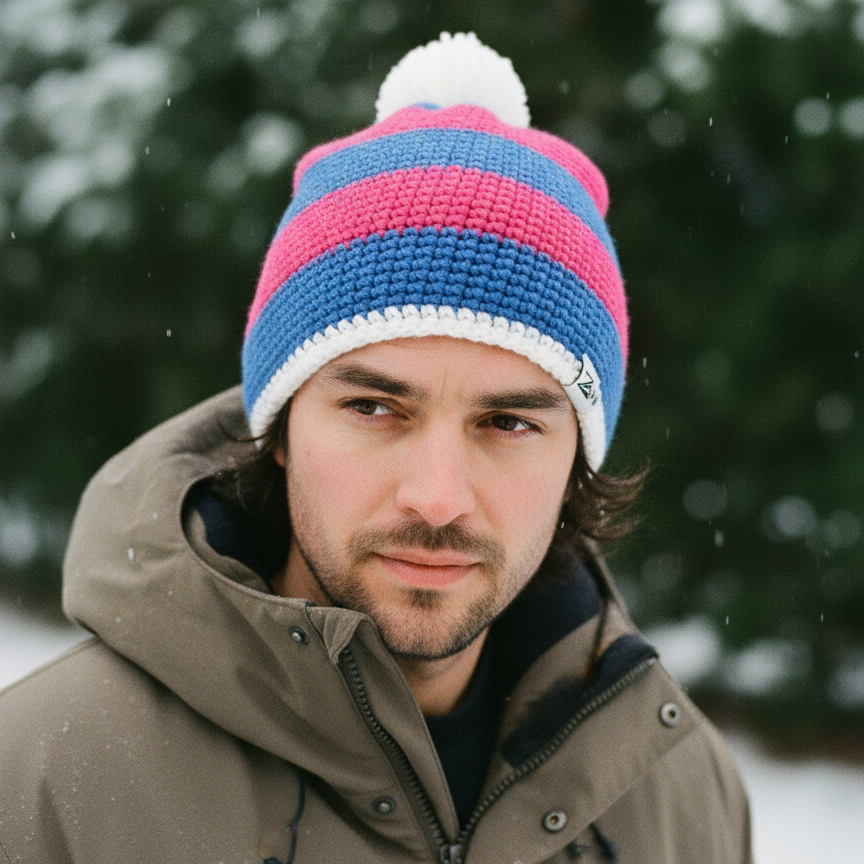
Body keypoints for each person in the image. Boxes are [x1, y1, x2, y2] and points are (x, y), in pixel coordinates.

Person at [0, 33, 752, 864]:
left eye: (508, 424)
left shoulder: (681, 797)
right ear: (279, 428)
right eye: (374, 407)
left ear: (578, 459)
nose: (437, 498)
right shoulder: (46, 783)